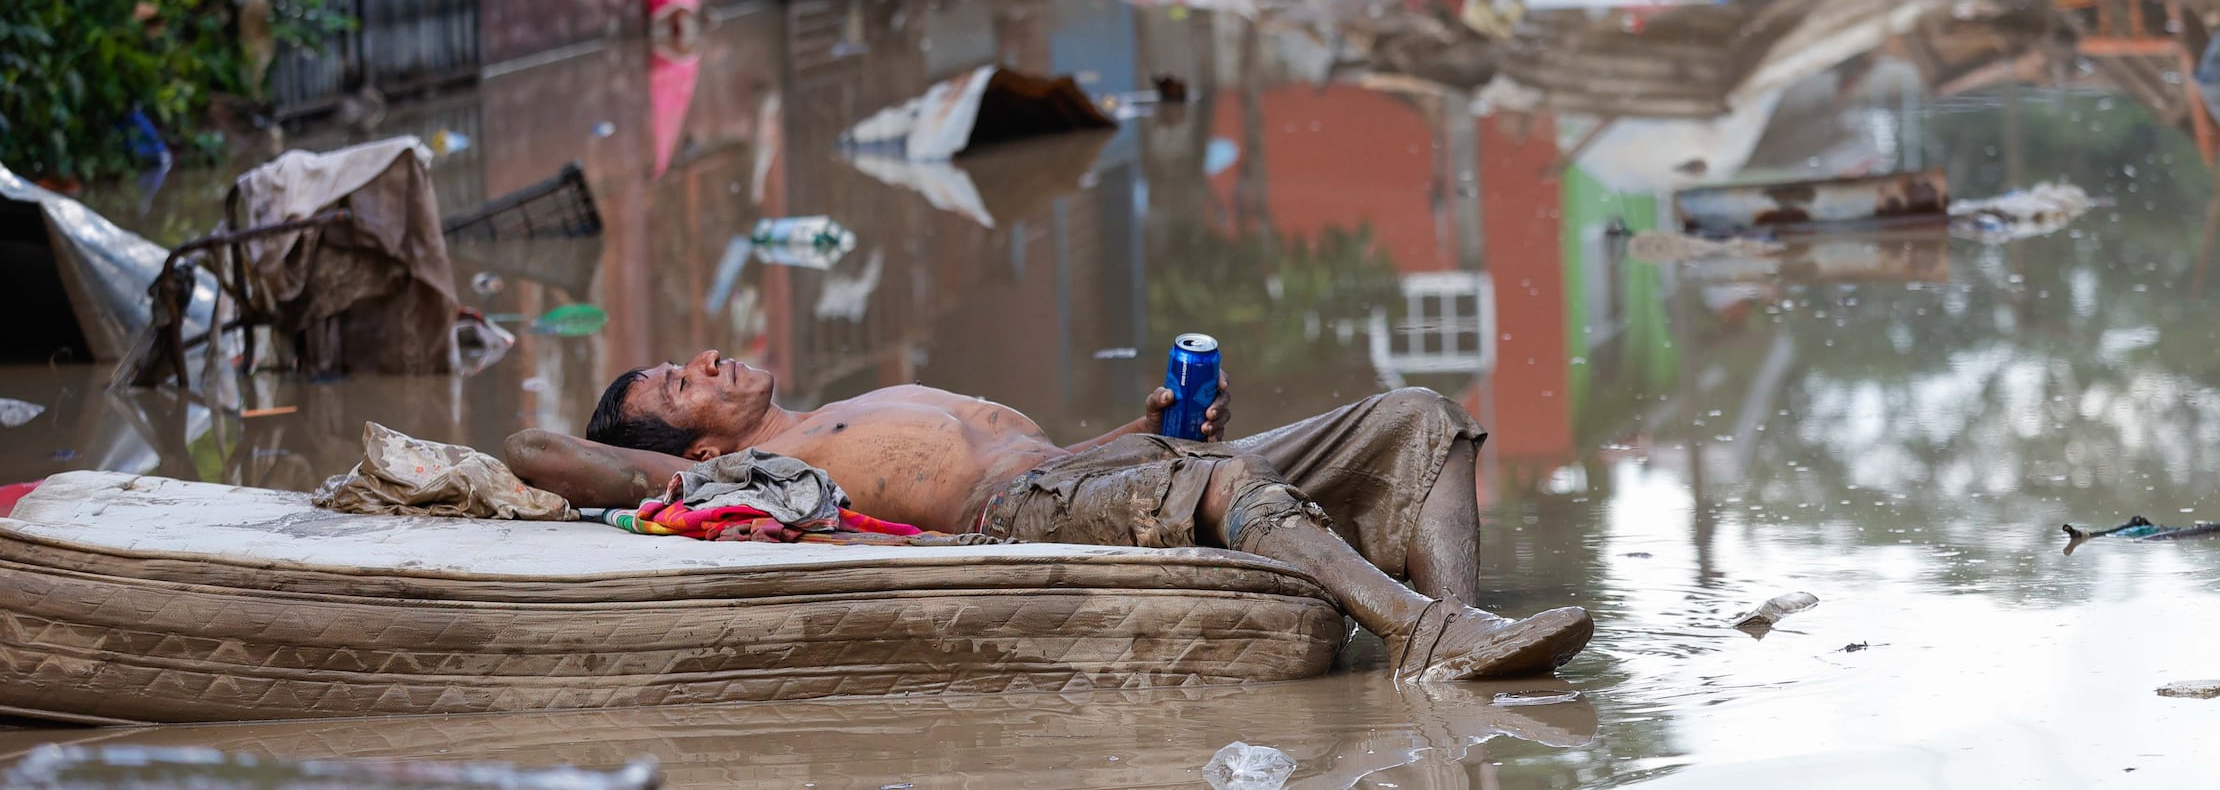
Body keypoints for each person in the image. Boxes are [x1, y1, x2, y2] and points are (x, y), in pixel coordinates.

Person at [505, 350, 1590, 681]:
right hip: (1013, 517)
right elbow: (536, 452)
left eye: (687, 362)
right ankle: (1420, 632)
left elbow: (1065, 462)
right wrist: (641, 456)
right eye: (683, 386)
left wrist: (1145, 424)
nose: (707, 361)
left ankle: (1457, 624)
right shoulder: (755, 469)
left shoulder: (853, 401)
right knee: (1214, 486)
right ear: (695, 448)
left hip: (1098, 469)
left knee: (1420, 415)